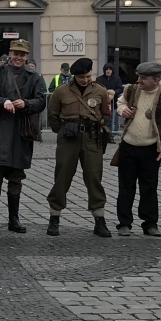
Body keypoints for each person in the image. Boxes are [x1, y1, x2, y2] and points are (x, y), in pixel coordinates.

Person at [0, 39, 46, 233]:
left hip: (20, 133)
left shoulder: (34, 77)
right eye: (15, 53)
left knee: (16, 179)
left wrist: (26, 104)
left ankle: (14, 219)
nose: (18, 57)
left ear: (27, 57)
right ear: (9, 53)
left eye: (22, 54)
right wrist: (3, 102)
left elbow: (41, 100)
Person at [44, 55, 111, 238]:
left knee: (94, 177)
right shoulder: (61, 91)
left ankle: (99, 219)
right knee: (62, 176)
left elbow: (106, 113)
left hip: (91, 138)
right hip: (69, 139)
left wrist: (97, 127)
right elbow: (53, 116)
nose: (86, 79)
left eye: (88, 76)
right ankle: (54, 217)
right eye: (82, 77)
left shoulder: (100, 91)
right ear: (75, 76)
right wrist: (65, 129)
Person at [113, 61, 161, 237]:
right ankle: (124, 223)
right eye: (139, 76)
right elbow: (120, 103)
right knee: (125, 187)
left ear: (156, 80)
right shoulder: (131, 90)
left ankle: (150, 223)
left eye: (144, 78)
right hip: (128, 146)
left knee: (149, 188)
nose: (139, 80)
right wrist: (122, 110)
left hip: (151, 149)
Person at [99, 63, 125, 136]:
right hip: (103, 103)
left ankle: (113, 134)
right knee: (104, 118)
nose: (108, 71)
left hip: (114, 102)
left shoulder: (116, 78)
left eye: (110, 69)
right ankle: (104, 134)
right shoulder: (99, 79)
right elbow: (98, 88)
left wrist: (114, 92)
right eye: (107, 69)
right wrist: (107, 93)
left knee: (114, 118)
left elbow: (120, 88)